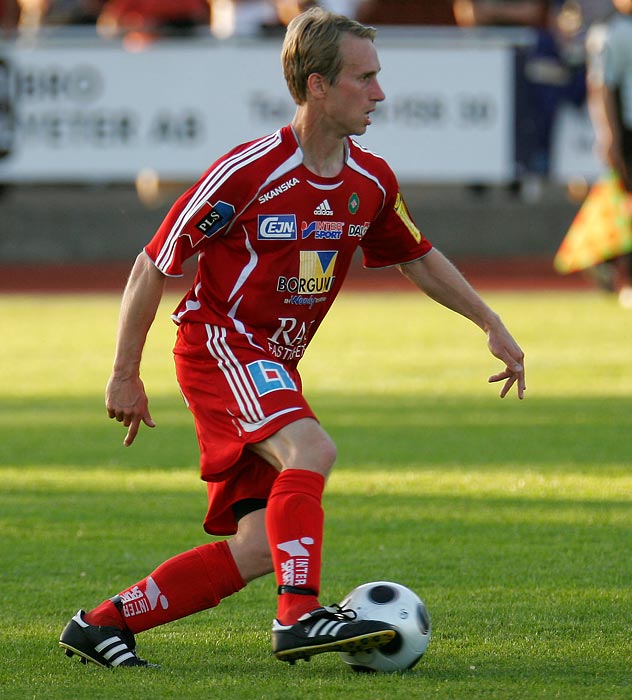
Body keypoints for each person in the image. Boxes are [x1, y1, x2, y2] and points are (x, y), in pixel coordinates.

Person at [59, 7, 526, 669]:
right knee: (312, 446)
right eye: (363, 79)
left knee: (256, 546)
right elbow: (153, 263)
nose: (380, 94)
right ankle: (298, 616)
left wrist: (490, 322)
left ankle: (99, 624)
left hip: (271, 362)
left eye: (378, 78)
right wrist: (125, 372)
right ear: (315, 86)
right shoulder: (248, 173)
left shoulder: (370, 182)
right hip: (218, 344)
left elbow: (418, 256)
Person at [584, 0, 632, 301]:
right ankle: (619, 270)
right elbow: (602, 86)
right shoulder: (611, 33)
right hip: (628, 127)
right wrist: (609, 133)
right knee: (626, 203)